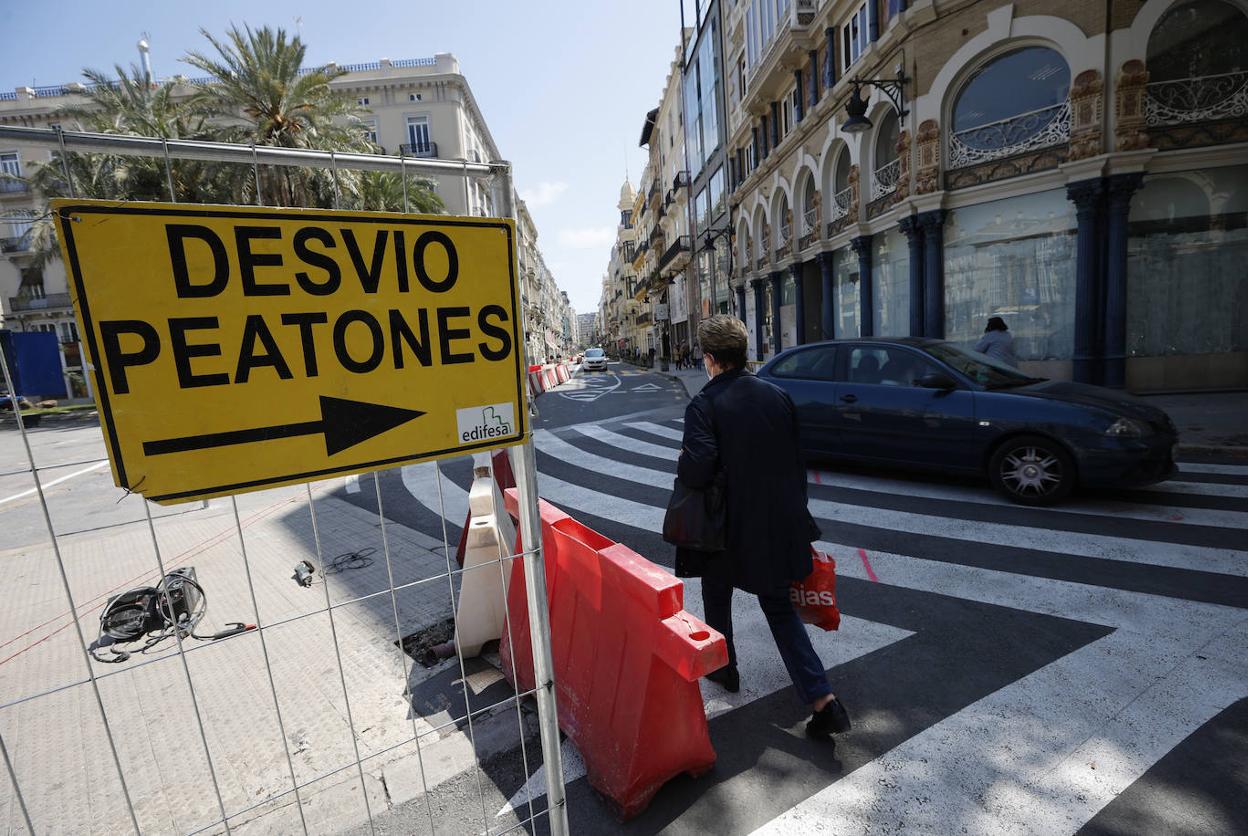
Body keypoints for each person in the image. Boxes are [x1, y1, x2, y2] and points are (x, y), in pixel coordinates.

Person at [674, 315, 851, 742]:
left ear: (711, 359)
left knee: (717, 595)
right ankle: (823, 700)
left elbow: (697, 470)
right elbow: (796, 462)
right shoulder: (778, 395)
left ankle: (725, 670)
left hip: (725, 528)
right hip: (775, 522)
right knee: (779, 607)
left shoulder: (705, 405)